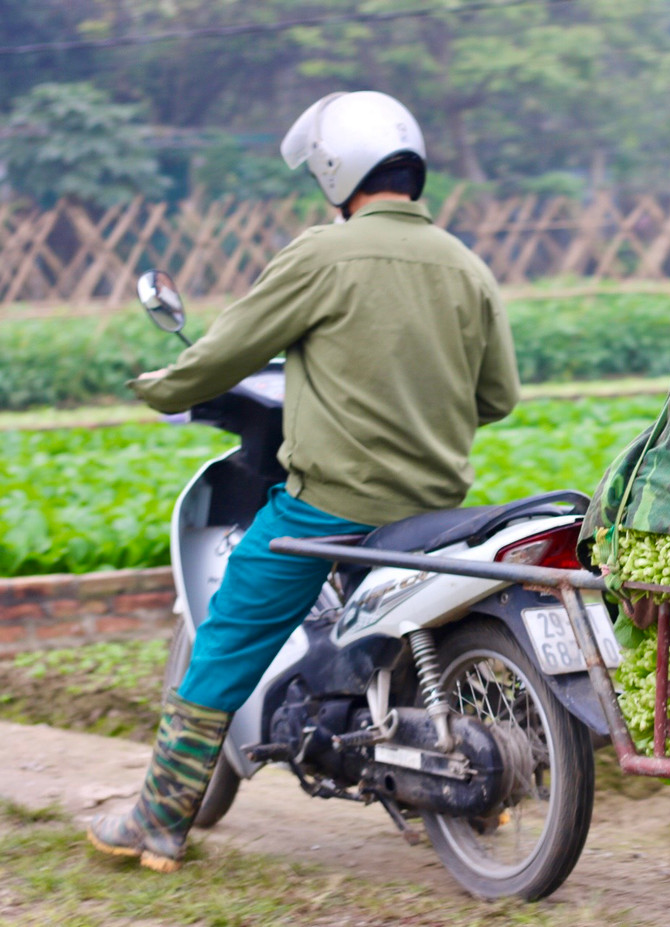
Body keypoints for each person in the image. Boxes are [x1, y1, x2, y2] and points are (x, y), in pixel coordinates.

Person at [87, 90, 521, 872]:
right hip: (437, 512)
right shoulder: (466, 264)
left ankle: (159, 820)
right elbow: (498, 398)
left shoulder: (322, 254)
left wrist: (164, 386)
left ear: (334, 170)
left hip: (329, 507)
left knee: (229, 629)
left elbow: (229, 348)